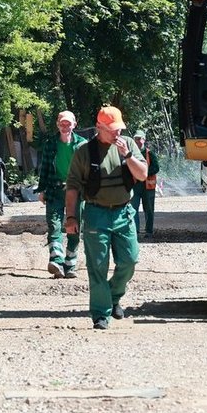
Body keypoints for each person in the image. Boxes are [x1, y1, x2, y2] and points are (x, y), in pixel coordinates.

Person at [64, 106, 147, 330]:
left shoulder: (128, 144)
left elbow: (142, 175)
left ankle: (113, 296)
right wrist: (70, 217)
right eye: (111, 130)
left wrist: (127, 156)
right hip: (96, 213)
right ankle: (101, 314)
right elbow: (72, 186)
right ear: (99, 127)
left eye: (118, 128)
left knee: (129, 261)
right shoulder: (84, 151)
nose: (116, 133)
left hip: (123, 212)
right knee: (98, 266)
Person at [35, 110, 87, 278]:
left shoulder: (83, 145)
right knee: (54, 225)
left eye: (68, 123)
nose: (65, 126)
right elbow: (44, 169)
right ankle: (56, 261)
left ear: (74, 125)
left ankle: (70, 264)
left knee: (74, 228)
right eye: (62, 123)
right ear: (57, 124)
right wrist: (41, 189)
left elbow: (89, 171)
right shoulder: (51, 143)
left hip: (77, 191)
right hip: (55, 190)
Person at [130, 130, 159, 238]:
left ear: (144, 139)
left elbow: (156, 167)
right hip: (135, 186)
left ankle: (149, 232)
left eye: (140, 139)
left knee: (149, 209)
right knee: (133, 209)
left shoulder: (149, 153)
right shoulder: (130, 154)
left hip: (148, 187)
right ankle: (135, 231)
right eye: (136, 139)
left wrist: (144, 173)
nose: (138, 141)